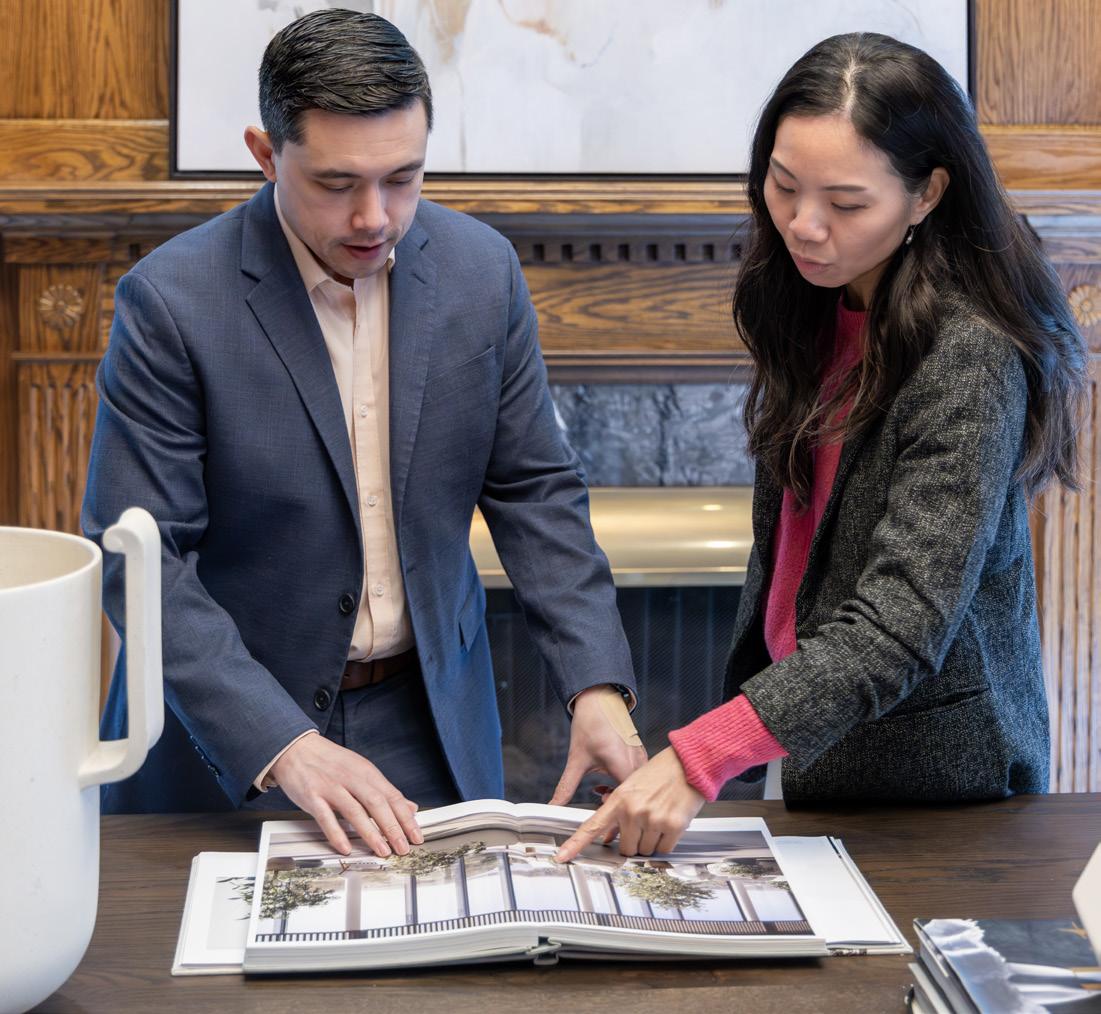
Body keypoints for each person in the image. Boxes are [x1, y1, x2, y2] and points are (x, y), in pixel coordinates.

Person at [82, 9, 645, 858]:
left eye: (403, 178)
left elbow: (534, 491)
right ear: (266, 154)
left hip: (429, 720)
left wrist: (594, 682)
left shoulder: (481, 272)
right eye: (337, 183)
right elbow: (139, 557)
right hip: (230, 739)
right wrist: (282, 743)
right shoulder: (171, 302)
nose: (375, 217)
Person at [557, 32, 1086, 862]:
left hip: (936, 789)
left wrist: (699, 758)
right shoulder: (818, 299)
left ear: (926, 194)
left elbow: (899, 623)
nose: (803, 226)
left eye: (845, 203)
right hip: (809, 737)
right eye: (783, 185)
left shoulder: (969, 356)